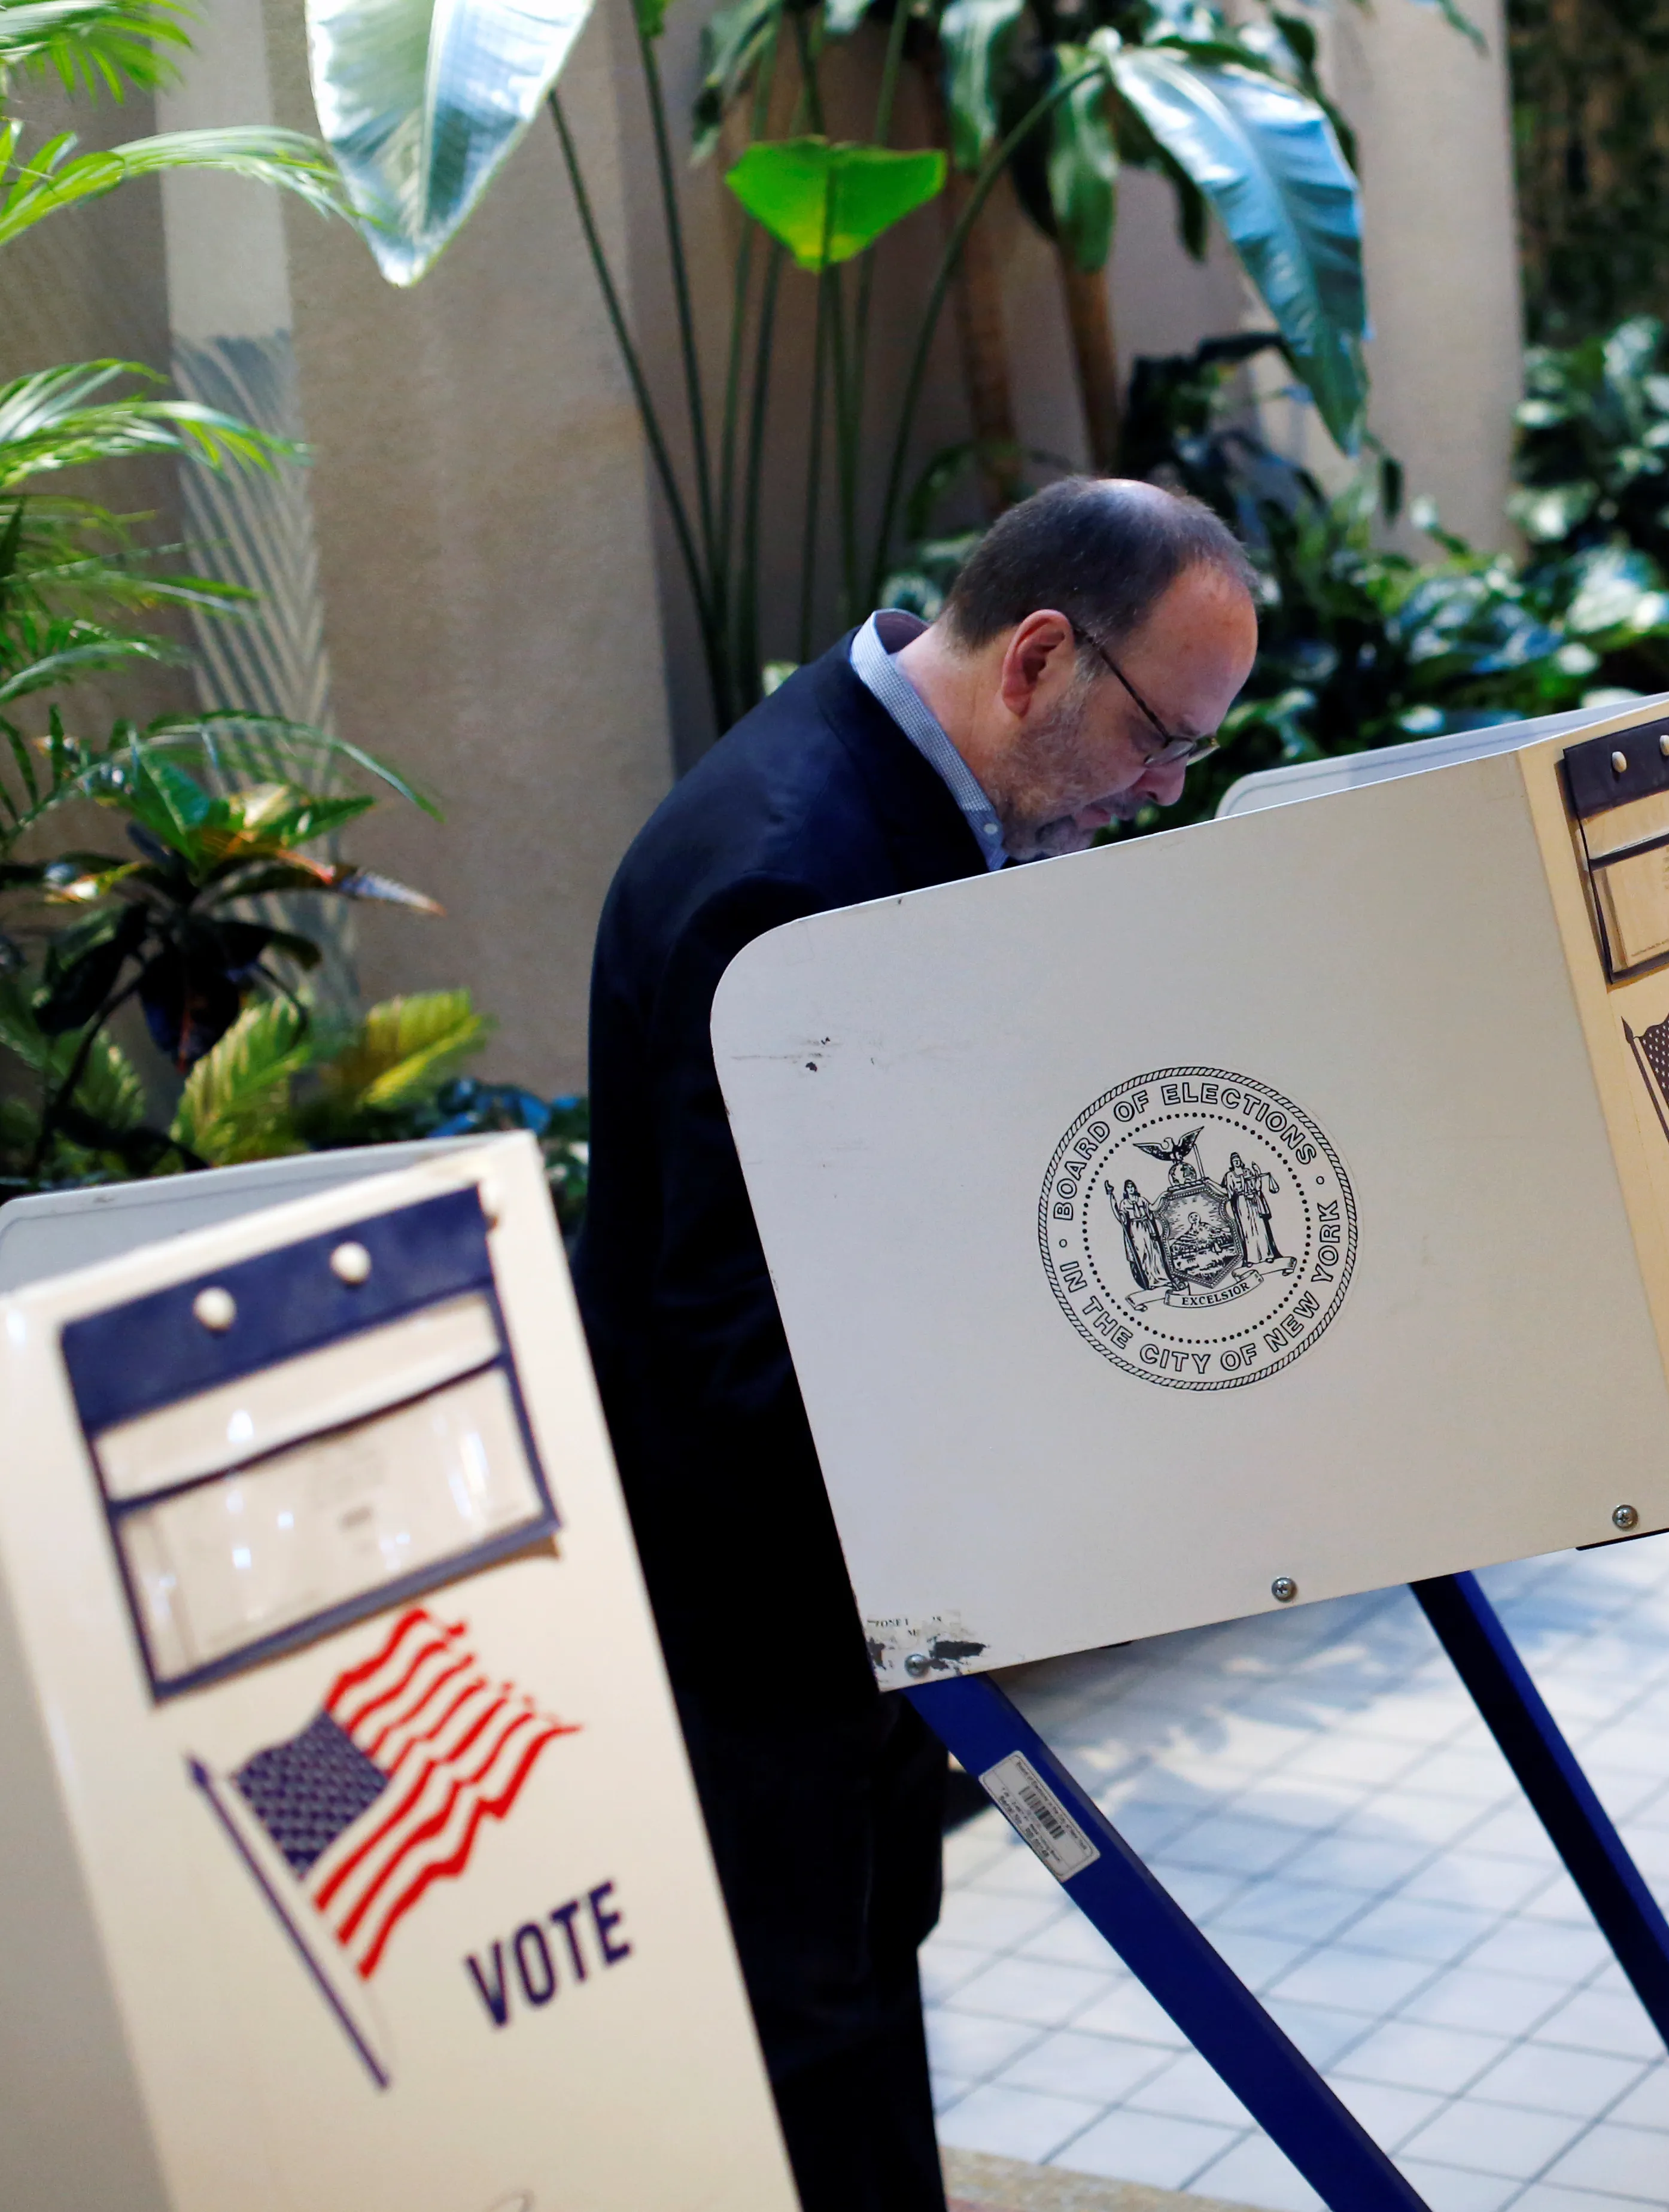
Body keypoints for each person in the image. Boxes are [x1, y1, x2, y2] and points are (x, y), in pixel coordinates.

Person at [573, 480, 1257, 2209]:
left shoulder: (923, 799)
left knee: (874, 1952)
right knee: (810, 2010)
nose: (1160, 792)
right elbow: (723, 1329)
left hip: (862, 1558)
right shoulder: (792, 870)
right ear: (1039, 656)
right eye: (1159, 740)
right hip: (759, 1580)